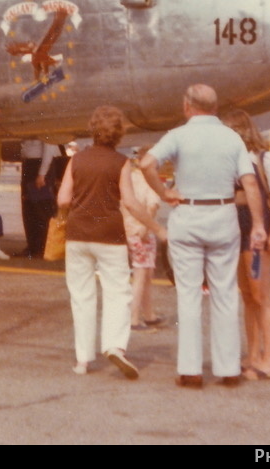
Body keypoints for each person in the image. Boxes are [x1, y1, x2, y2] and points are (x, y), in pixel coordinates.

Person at [140, 84, 265, 389]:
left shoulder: (178, 135)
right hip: (223, 216)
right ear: (215, 107)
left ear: (187, 106)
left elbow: (146, 163)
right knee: (225, 293)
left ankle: (191, 369)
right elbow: (249, 184)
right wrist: (259, 223)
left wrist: (164, 191)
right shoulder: (231, 137)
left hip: (189, 216)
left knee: (189, 294)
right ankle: (228, 368)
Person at [57, 106, 165, 378]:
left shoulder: (76, 160)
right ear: (119, 134)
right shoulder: (121, 163)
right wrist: (155, 227)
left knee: (81, 296)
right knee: (117, 292)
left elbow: (62, 200)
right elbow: (129, 202)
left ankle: (83, 360)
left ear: (93, 129)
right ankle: (115, 346)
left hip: (78, 236)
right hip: (109, 235)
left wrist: (68, 216)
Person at [222, 109, 270, 381]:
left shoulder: (265, 158)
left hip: (255, 232)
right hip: (234, 232)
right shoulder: (229, 160)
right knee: (248, 296)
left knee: (262, 296)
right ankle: (252, 354)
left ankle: (269, 359)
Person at [123, 162, 163, 331]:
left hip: (129, 229)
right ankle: (133, 318)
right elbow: (153, 205)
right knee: (141, 274)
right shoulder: (150, 181)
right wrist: (147, 228)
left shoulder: (130, 178)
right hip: (143, 232)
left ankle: (149, 314)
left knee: (145, 273)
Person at [16, 139, 54, 258]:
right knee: (28, 209)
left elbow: (49, 150)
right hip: (29, 165)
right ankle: (32, 246)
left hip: (38, 167)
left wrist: (42, 174)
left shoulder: (45, 127)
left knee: (41, 210)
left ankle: (43, 248)